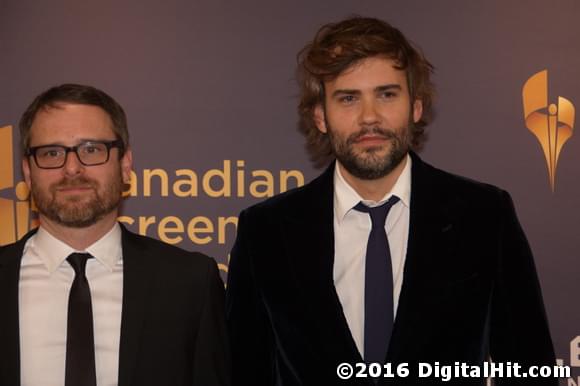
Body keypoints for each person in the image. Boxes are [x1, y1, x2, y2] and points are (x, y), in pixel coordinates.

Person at [226, 17, 557, 385]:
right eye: (348, 98)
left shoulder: (483, 215)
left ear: (415, 107)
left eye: (386, 94)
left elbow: (529, 368)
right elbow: (244, 370)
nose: (369, 117)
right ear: (321, 116)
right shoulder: (267, 230)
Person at [0, 84, 230, 386]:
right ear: (28, 172)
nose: (72, 168)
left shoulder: (190, 283)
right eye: (52, 152)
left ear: (125, 165)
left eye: (91, 150)